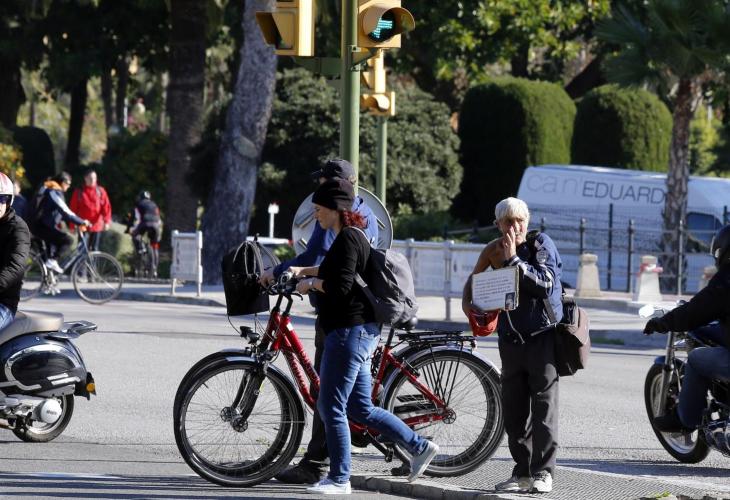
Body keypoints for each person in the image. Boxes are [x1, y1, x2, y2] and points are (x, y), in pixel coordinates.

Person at [288, 178, 438, 495]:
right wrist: (302, 272)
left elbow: (339, 286)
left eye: (319, 208)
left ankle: (339, 478)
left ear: (336, 208)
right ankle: (419, 446)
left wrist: (310, 285)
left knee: (331, 406)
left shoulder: (348, 238)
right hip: (357, 332)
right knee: (360, 409)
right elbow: (334, 270)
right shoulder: (351, 235)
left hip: (348, 333)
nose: (316, 214)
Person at [260, 159, 378, 485]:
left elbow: (320, 260)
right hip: (352, 316)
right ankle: (416, 447)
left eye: (323, 181)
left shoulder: (337, 221)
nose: (318, 189)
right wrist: (301, 272)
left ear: (337, 187)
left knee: (329, 397)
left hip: (343, 318)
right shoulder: (361, 214)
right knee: (343, 400)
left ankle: (322, 467)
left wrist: (286, 273)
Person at [462, 197, 563, 494]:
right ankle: (522, 473)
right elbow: (473, 282)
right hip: (510, 341)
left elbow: (545, 284)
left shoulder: (540, 244)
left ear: (527, 222)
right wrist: (470, 306)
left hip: (541, 338)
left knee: (544, 409)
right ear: (498, 224)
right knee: (514, 413)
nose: (515, 227)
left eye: (520, 221)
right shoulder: (493, 249)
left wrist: (514, 261)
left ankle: (543, 473)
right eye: (508, 221)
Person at [644, 224, 730, 432]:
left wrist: (663, 322)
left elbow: (697, 310)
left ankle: (686, 419)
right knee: (707, 333)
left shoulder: (726, 280)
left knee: (696, 359)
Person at [33, 172, 90, 274]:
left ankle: (49, 279)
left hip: (42, 226)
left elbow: (58, 213)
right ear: (63, 182)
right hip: (42, 227)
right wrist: (81, 222)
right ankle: (52, 261)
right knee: (68, 240)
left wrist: (75, 222)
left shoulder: (52, 190)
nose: (69, 186)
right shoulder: (54, 192)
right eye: (68, 184)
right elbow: (65, 211)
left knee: (49, 256)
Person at [0, 172, 30, 329]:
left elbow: (15, 267)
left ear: (9, 201)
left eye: (1, 198)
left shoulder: (18, 228)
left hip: (3, 302)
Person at [69, 169, 112, 251]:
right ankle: (81, 259)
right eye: (90, 178)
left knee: (94, 249)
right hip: (83, 224)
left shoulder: (101, 191)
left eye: (95, 178)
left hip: (96, 225)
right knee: (82, 249)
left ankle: (93, 260)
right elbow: (73, 209)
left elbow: (106, 207)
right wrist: (72, 226)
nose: (93, 180)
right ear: (85, 178)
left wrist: (107, 221)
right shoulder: (79, 192)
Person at [127, 191, 162, 278]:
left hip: (144, 224)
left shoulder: (139, 205)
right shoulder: (154, 205)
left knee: (135, 237)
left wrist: (131, 230)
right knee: (155, 246)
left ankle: (140, 249)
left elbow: (137, 218)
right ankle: (155, 269)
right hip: (156, 226)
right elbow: (159, 219)